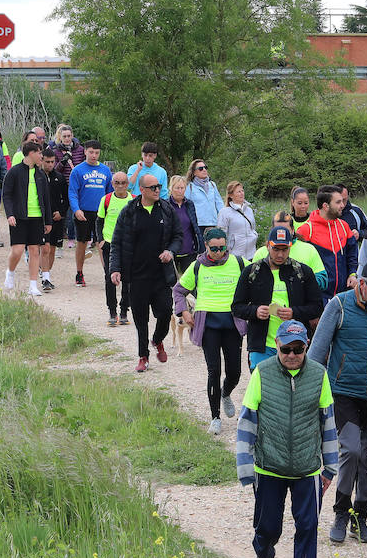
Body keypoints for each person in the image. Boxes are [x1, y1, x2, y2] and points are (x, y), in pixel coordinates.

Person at [237, 319, 339, 558]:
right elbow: (248, 421)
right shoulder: (262, 373)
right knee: (268, 527)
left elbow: (328, 422)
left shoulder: (319, 375)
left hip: (307, 469)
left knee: (308, 528)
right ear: (277, 346)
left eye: (298, 349)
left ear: (306, 347)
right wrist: (245, 466)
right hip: (269, 466)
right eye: (287, 350)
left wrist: (330, 467)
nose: (292, 355)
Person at [308, 260, 367, 546]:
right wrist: (312, 393)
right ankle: (340, 513)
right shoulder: (339, 305)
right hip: (344, 391)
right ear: (361, 283)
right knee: (350, 450)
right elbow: (317, 352)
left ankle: (360, 517)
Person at [174, 227, 247, 434]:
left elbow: (256, 278)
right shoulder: (197, 266)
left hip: (232, 324)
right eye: (213, 248)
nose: (218, 252)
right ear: (206, 246)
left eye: (222, 248)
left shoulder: (239, 263)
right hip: (207, 325)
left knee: (234, 371)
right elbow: (179, 291)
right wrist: (184, 313)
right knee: (213, 370)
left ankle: (226, 393)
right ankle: (215, 417)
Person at [108, 170, 182, 370]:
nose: (157, 190)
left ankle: (158, 340)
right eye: (153, 188)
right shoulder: (129, 211)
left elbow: (178, 236)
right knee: (141, 320)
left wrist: (170, 251)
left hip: (161, 275)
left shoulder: (166, 210)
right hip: (137, 276)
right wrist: (115, 269)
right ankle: (143, 356)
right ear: (142, 190)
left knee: (166, 313)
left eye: (158, 187)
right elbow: (116, 243)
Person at [232, 222, 325, 371]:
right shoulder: (252, 271)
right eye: (276, 249)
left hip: (293, 346)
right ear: (268, 246)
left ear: (290, 247)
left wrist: (294, 312)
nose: (280, 254)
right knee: (263, 389)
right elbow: (236, 307)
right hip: (262, 346)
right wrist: (255, 311)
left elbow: (317, 307)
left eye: (284, 249)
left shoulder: (303, 272)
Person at [0, 140, 52, 297]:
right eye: (39, 153)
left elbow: (46, 199)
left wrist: (48, 221)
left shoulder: (41, 174)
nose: (41, 156)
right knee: (17, 250)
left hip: (36, 217)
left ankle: (33, 285)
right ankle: (10, 272)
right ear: (31, 153)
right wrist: (10, 214)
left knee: (34, 250)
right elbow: (6, 195)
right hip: (19, 217)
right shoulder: (14, 172)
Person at [297, 185, 357, 297]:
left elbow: (352, 255)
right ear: (326, 206)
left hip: (343, 295)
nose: (343, 205)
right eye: (338, 202)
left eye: (342, 201)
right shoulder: (306, 230)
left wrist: (352, 274)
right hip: (318, 298)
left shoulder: (344, 226)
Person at [67, 139, 112, 288]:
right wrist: (76, 209)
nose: (94, 155)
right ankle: (79, 273)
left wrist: (109, 210)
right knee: (82, 242)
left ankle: (108, 273)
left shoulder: (105, 171)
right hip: (83, 212)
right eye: (91, 152)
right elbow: (72, 192)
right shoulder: (78, 170)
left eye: (97, 153)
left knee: (102, 243)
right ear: (85, 151)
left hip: (101, 213)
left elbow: (109, 193)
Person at [250, 210, 328, 292]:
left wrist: (300, 282)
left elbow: (323, 281)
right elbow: (251, 282)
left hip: (299, 303)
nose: (281, 233)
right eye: (277, 229)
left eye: (285, 229)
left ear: (293, 230)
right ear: (271, 230)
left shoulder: (309, 250)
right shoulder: (261, 253)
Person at [97, 172, 136, 325]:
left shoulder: (133, 200)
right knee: (110, 278)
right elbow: (99, 221)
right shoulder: (106, 199)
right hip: (109, 243)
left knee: (128, 279)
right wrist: (100, 240)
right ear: (112, 184)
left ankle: (124, 310)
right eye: (117, 183)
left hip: (128, 244)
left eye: (123, 183)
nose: (120, 186)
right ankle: (112, 312)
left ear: (128, 184)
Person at [38, 148, 70, 290]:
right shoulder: (36, 176)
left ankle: (46, 275)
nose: (50, 164)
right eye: (47, 162)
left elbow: (66, 198)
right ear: (41, 161)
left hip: (57, 219)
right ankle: (44, 276)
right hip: (41, 218)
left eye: (52, 162)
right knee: (44, 248)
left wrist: (61, 213)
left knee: (51, 249)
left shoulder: (60, 177)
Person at [165, 174, 202, 274]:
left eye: (182, 188)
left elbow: (194, 226)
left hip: (189, 250)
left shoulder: (189, 204)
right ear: (171, 189)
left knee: (189, 283)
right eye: (177, 188)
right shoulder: (165, 205)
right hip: (171, 251)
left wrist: (200, 246)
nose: (180, 190)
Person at [217, 181, 257, 259]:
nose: (242, 193)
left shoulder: (249, 210)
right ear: (231, 195)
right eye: (238, 192)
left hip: (251, 254)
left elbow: (253, 228)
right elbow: (221, 234)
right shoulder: (224, 212)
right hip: (235, 255)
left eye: (242, 191)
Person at [186, 157, 224, 230]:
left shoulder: (212, 185)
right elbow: (186, 206)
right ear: (194, 172)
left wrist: (222, 218)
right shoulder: (189, 187)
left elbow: (219, 203)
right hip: (198, 225)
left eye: (205, 167)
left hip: (214, 223)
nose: (204, 170)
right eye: (200, 168)